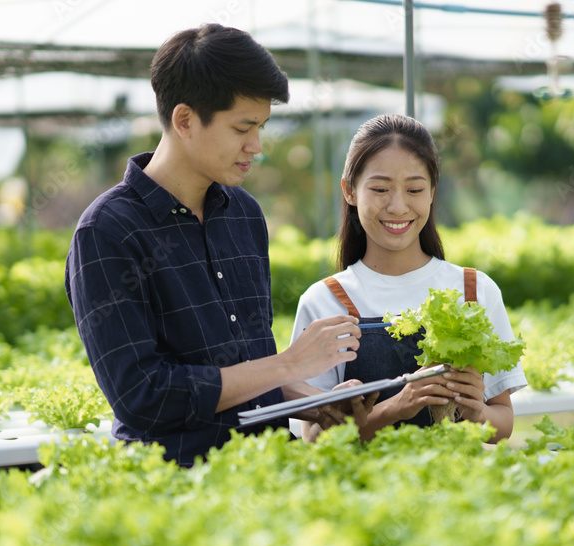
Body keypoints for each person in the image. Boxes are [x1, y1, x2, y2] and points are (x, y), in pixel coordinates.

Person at [65, 24, 373, 467]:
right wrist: (290, 364)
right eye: (242, 128)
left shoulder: (243, 214)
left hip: (268, 470)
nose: (257, 146)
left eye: (261, 127)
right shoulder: (106, 231)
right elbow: (142, 396)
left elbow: (251, 366)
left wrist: (315, 402)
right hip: (177, 485)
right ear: (185, 120)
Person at [291, 113, 527, 443]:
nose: (398, 206)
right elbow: (314, 438)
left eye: (414, 188)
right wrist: (397, 406)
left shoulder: (474, 290)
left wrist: (477, 414)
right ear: (349, 191)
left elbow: (502, 422)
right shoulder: (325, 300)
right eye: (380, 189)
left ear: (433, 191)